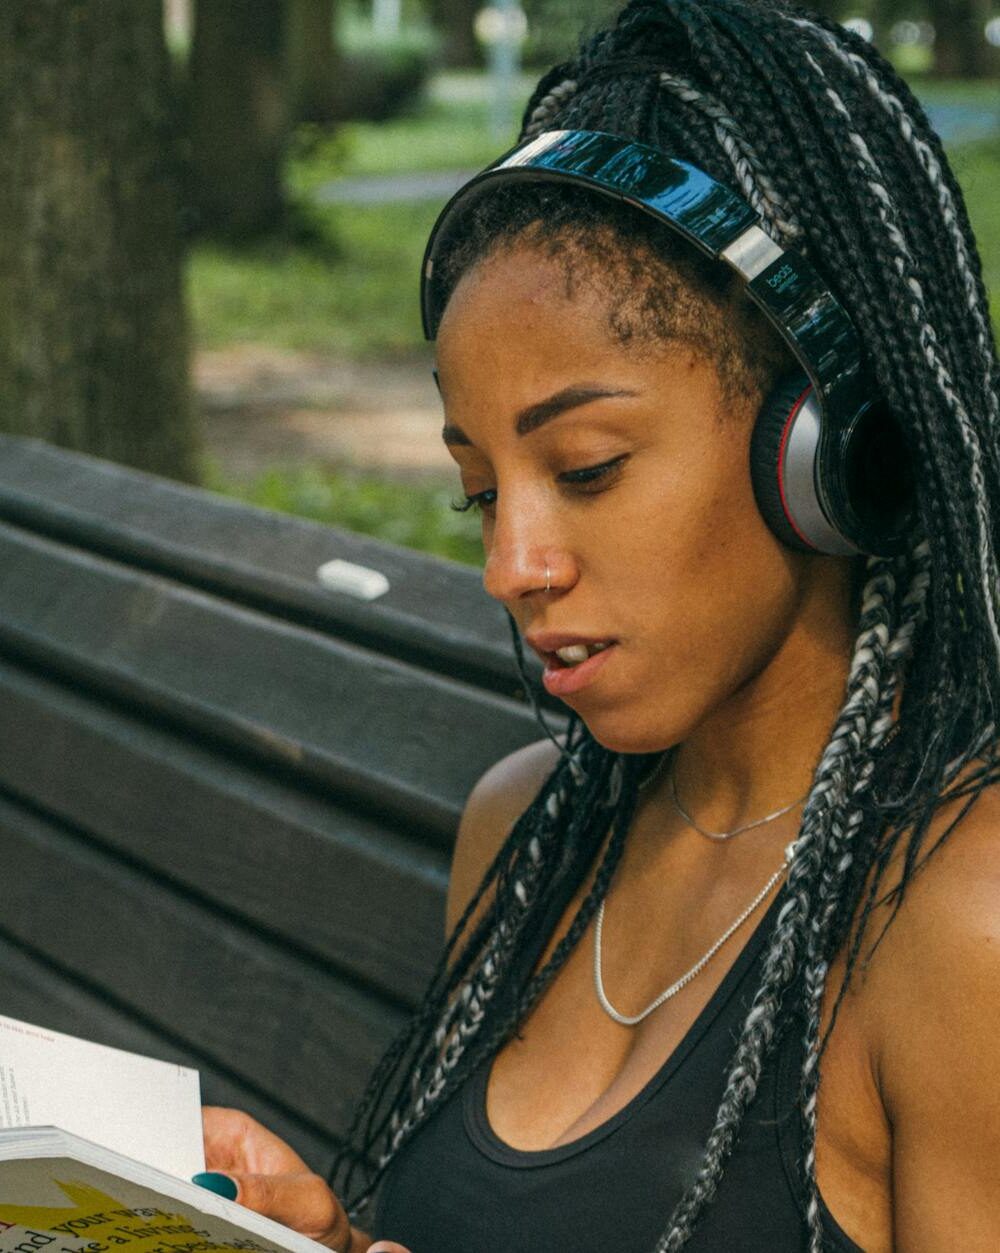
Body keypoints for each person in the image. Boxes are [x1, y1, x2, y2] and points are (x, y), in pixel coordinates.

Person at [197, 0, 1000, 1248]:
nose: (510, 566)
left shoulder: (960, 918)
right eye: (479, 490)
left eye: (585, 468)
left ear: (820, 456)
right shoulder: (527, 830)